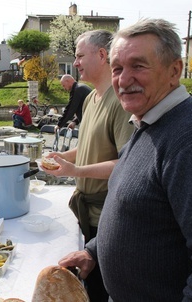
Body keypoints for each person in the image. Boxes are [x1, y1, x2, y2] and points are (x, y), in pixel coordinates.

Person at [59, 19, 192, 301]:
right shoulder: (149, 121)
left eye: (138, 66)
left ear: (174, 71)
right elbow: (137, 207)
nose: (123, 79)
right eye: (118, 68)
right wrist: (93, 251)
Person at [43, 29, 134, 302]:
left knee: (101, 291)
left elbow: (127, 163)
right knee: (88, 289)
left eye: (80, 56)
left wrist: (77, 172)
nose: (76, 63)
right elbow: (89, 146)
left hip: (108, 216)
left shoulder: (120, 101)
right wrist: (63, 158)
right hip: (87, 215)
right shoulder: (91, 99)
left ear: (103, 55)